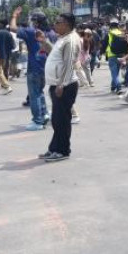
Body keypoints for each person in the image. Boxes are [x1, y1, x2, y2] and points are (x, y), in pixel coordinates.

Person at [38, 13, 82, 162]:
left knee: (62, 120)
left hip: (65, 85)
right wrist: (44, 42)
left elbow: (69, 64)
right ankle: (54, 148)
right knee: (57, 120)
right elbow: (55, 55)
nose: (55, 25)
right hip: (58, 84)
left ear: (67, 24)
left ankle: (62, 151)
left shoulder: (71, 40)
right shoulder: (62, 38)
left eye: (58, 22)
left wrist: (61, 84)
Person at [10, 8, 50, 131]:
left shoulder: (32, 32)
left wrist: (14, 16)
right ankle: (44, 114)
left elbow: (13, 28)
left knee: (34, 95)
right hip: (46, 67)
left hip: (34, 66)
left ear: (36, 21)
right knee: (40, 92)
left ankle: (37, 121)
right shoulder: (50, 32)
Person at [103, 20, 128, 93]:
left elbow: (104, 44)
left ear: (110, 26)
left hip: (111, 55)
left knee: (114, 73)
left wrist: (102, 52)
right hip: (121, 55)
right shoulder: (121, 33)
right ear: (117, 26)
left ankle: (118, 87)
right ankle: (113, 86)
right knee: (116, 72)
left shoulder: (109, 34)